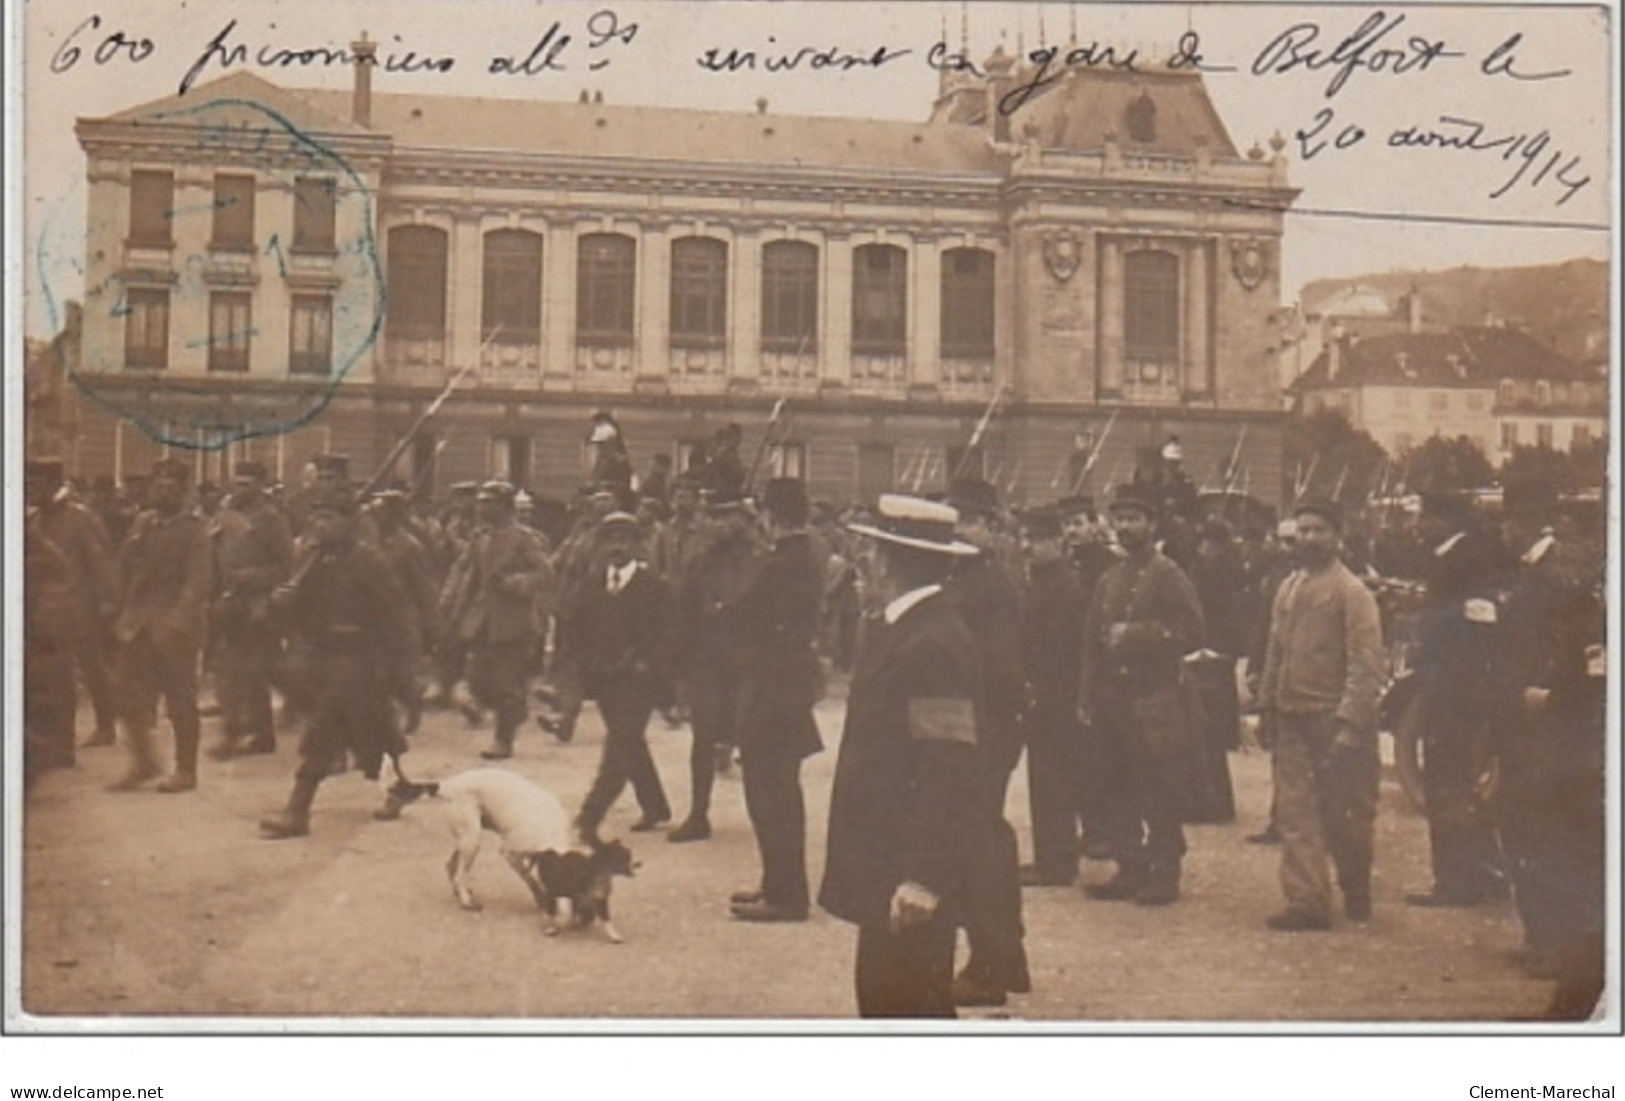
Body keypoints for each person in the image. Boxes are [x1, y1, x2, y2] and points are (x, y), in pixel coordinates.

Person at [819, 495, 987, 1017]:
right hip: (887, 867)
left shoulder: (932, 642)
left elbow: (950, 769)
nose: (862, 565)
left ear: (890, 564)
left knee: (906, 1010)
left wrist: (925, 875)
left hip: (906, 881)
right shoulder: (909, 629)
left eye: (870, 554)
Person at [1256, 499, 1385, 930]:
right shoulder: (1289, 588)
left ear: (1337, 536)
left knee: (1347, 815)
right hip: (1292, 716)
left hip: (1334, 721)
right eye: (1304, 530)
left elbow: (1367, 661)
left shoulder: (1352, 592)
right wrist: (1267, 707)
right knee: (1296, 814)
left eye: (1319, 531)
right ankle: (1306, 901)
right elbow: (1276, 650)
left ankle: (1356, 885)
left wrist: (1350, 722)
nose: (1309, 539)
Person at [1077, 484, 1206, 906]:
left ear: (1151, 524)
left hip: (1155, 701)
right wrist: (1087, 697)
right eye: (1120, 519)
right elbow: (1091, 645)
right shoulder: (1110, 578)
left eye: (1135, 519)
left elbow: (1191, 631)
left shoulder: (1168, 574)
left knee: (1159, 787)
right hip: (1114, 701)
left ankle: (1165, 872)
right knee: (1118, 785)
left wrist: (1137, 635)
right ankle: (1130, 868)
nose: (1127, 527)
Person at [260, 491, 413, 837]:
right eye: (317, 518)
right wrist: (280, 602)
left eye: (330, 518)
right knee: (377, 731)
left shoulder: (368, 562)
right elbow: (301, 612)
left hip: (360, 657)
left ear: (350, 523)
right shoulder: (313, 559)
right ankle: (401, 786)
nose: (320, 525)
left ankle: (297, 811)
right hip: (324, 657)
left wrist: (394, 667)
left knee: (324, 730)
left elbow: (396, 616)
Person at [722, 478, 825, 923]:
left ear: (773, 516)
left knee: (771, 795)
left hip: (773, 688)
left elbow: (750, 613)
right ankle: (778, 884)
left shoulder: (784, 562)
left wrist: (723, 615)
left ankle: (786, 895)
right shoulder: (799, 555)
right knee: (775, 791)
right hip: (785, 685)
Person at [1406, 491, 1508, 907]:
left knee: (1446, 783)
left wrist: (1427, 622)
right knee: (1461, 784)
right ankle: (1481, 873)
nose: (1418, 525)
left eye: (1423, 516)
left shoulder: (1462, 559)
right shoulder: (1460, 554)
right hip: (1458, 685)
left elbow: (1473, 623)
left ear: (1443, 518)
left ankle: (1456, 881)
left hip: (1453, 688)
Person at [107, 458, 214, 794]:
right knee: (124, 695)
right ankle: (144, 761)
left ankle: (186, 770)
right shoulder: (144, 522)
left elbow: (199, 581)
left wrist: (176, 623)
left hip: (175, 628)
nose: (163, 491)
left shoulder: (195, 529)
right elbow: (125, 567)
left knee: (180, 700)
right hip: (138, 624)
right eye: (159, 484)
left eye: (171, 486)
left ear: (183, 490)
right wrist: (122, 609)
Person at [667, 487, 763, 841]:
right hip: (708, 660)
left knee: (753, 740)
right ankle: (698, 814)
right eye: (714, 515)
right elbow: (684, 612)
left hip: (748, 662)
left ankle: (763, 815)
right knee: (703, 738)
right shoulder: (699, 560)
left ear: (744, 518)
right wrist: (682, 665)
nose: (719, 523)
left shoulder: (760, 558)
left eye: (727, 515)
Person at [573, 512, 675, 843]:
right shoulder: (592, 584)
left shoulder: (655, 587)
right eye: (609, 538)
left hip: (639, 681)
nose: (616, 546)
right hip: (603, 679)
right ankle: (655, 805)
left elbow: (670, 634)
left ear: (638, 544)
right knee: (630, 741)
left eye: (624, 538)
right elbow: (577, 627)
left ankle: (589, 817)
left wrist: (649, 662)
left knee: (619, 745)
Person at [441, 481, 555, 760]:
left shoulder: (524, 539)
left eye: (488, 502)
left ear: (505, 507)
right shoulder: (480, 539)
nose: (481, 507)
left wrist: (513, 583)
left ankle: (503, 739)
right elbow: (467, 574)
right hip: (481, 622)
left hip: (512, 622)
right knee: (477, 680)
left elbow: (545, 574)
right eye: (480, 501)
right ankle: (515, 708)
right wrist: (453, 607)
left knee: (505, 682)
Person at [25, 457, 122, 757]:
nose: (31, 488)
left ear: (54, 482)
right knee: (59, 680)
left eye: (37, 482)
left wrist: (107, 603)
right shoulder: (37, 518)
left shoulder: (80, 518)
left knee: (92, 672)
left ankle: (105, 725)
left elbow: (100, 561)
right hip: (47, 614)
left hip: (82, 610)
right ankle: (63, 741)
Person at [1017, 505, 1090, 887]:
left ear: (1056, 542)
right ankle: (1051, 855)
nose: (1027, 546)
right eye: (1025, 538)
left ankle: (1057, 862)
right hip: (1045, 697)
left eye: (1036, 540)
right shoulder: (1044, 580)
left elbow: (1060, 650)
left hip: (1055, 699)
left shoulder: (1062, 586)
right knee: (1045, 778)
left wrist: (1039, 690)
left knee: (1054, 780)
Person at [208, 460, 294, 759]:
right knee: (251, 671)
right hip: (231, 603)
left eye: (246, 484)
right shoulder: (226, 514)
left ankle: (234, 734)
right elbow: (214, 550)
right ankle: (263, 734)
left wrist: (251, 576)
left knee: (244, 672)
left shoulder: (272, 519)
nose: (239, 489)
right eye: (237, 482)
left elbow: (285, 568)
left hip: (260, 605)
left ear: (260, 485)